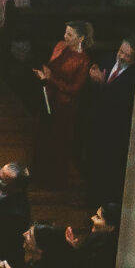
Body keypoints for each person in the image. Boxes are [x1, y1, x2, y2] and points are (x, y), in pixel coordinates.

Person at [32, 21, 93, 187]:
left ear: (80, 38)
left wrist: (51, 79)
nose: (65, 37)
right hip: (49, 97)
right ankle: (39, 174)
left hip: (65, 106)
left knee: (58, 141)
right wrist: (45, 71)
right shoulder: (61, 46)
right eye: (65, 32)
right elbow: (52, 65)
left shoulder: (83, 61)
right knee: (42, 136)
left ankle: (54, 180)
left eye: (70, 35)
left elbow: (74, 88)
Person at [87, 36, 135, 206]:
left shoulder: (134, 78)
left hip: (114, 133)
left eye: (128, 56)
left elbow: (120, 104)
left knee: (107, 169)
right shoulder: (106, 60)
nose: (122, 57)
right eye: (121, 51)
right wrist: (93, 80)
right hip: (94, 125)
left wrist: (103, 86)